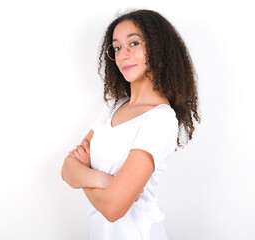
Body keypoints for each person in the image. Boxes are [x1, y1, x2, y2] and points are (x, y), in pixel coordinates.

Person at [61, 9, 201, 240]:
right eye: (117, 47)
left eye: (133, 43)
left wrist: (84, 175)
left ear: (158, 48)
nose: (123, 55)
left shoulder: (160, 119)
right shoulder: (114, 106)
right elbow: (66, 170)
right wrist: (105, 181)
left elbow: (113, 207)